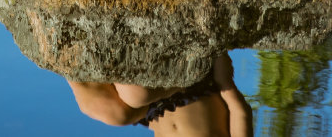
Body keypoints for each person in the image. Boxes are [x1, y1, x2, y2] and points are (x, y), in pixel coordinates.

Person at [66, 55, 254, 135]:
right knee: (135, 95)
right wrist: (226, 83)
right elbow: (241, 114)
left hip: (155, 111)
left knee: (113, 115)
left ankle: (63, 56)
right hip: (196, 85)